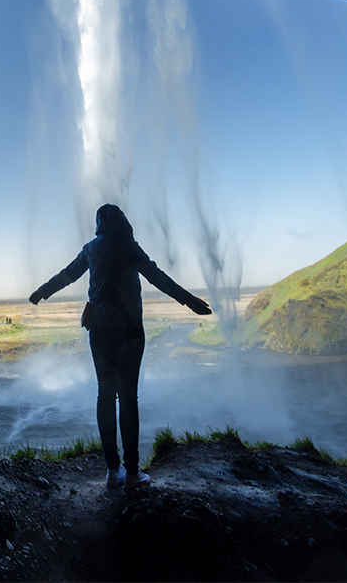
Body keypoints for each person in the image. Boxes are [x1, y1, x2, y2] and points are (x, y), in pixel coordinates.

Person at [29, 203, 211, 490]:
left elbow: (68, 274)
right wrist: (190, 301)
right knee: (128, 398)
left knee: (105, 395)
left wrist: (42, 292)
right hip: (129, 330)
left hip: (99, 329)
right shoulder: (129, 246)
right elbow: (157, 276)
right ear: (123, 221)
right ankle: (133, 472)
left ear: (100, 223)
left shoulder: (91, 247)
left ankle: (113, 471)